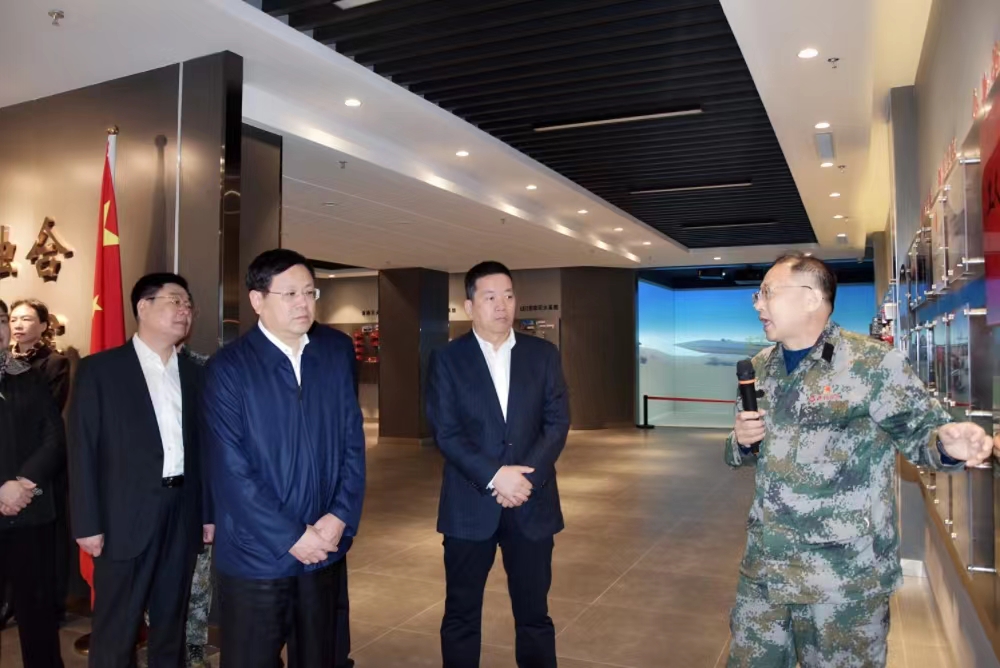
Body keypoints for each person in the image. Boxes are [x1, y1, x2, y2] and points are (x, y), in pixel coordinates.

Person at [724, 253, 992, 668]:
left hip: (843, 581)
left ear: (811, 297)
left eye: (767, 292)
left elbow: (922, 436)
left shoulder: (873, 364)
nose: (758, 303)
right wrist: (740, 443)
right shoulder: (760, 367)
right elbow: (740, 450)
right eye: (757, 295)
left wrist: (947, 444)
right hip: (766, 569)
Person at [203, 249, 365, 668]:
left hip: (324, 545)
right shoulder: (229, 368)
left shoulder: (334, 353)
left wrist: (340, 515)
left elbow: (352, 442)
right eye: (289, 293)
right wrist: (291, 535)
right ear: (257, 300)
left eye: (309, 292)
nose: (303, 303)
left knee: (321, 656)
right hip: (257, 554)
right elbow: (231, 470)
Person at [426, 261, 570, 668]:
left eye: (508, 295)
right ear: (470, 306)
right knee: (461, 614)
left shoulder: (542, 355)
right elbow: (446, 432)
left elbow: (557, 423)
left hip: (531, 503)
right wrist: (495, 476)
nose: (501, 305)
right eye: (490, 297)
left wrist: (524, 480)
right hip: (469, 507)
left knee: (534, 614)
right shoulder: (448, 359)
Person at [68, 273, 212, 668]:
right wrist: (87, 522)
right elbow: (82, 449)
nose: (185, 311)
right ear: (143, 307)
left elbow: (204, 451)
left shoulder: (196, 374)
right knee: (117, 628)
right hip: (121, 518)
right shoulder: (101, 370)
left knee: (171, 624)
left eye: (188, 305)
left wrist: (208, 513)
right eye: (175, 301)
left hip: (181, 513)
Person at [0, 298, 66, 668]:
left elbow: (53, 437)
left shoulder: (29, 375)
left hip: (30, 510)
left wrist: (23, 483)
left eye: (0, 320)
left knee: (37, 613)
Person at [9, 298, 73, 626]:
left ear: (44, 326)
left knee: (46, 541)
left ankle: (51, 605)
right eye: (13, 319)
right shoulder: (6, 362)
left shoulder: (53, 363)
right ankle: (11, 601)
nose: (17, 325)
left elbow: (47, 417)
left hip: (40, 466)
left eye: (26, 319)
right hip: (7, 465)